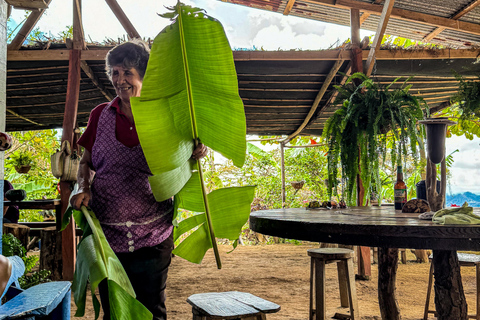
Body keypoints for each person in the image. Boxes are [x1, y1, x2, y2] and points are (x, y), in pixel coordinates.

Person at [70, 39, 207, 320]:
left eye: (127, 72)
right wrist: (83, 186)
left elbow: (189, 151)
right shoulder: (100, 115)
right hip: (106, 236)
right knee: (115, 311)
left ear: (143, 75)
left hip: (153, 235)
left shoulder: (166, 114)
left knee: (151, 310)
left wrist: (198, 148)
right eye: (115, 73)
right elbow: (86, 162)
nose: (120, 80)